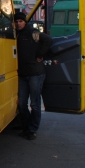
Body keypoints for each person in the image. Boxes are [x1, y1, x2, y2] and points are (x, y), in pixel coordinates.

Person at [14, 11, 52, 140]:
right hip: (22, 74)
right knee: (22, 103)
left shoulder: (32, 32)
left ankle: (32, 129)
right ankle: (26, 127)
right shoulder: (15, 34)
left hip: (35, 73)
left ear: (25, 22)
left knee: (35, 104)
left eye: (20, 21)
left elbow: (48, 40)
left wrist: (40, 55)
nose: (18, 24)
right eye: (16, 22)